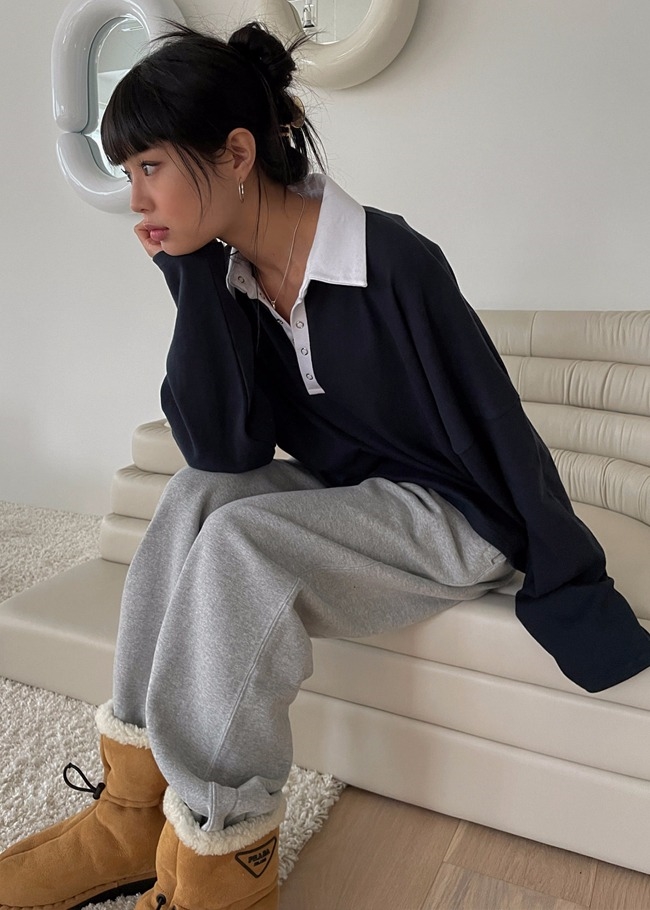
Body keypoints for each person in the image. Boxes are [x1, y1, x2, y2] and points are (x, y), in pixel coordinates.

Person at [3, 19, 650, 910]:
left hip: (457, 514)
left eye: (149, 166)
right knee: (198, 495)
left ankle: (224, 855)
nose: (136, 196)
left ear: (236, 154)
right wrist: (190, 281)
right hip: (358, 496)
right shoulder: (231, 278)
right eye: (127, 173)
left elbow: (495, 424)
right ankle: (130, 811)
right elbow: (224, 450)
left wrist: (564, 569)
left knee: (240, 546)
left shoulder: (392, 260)